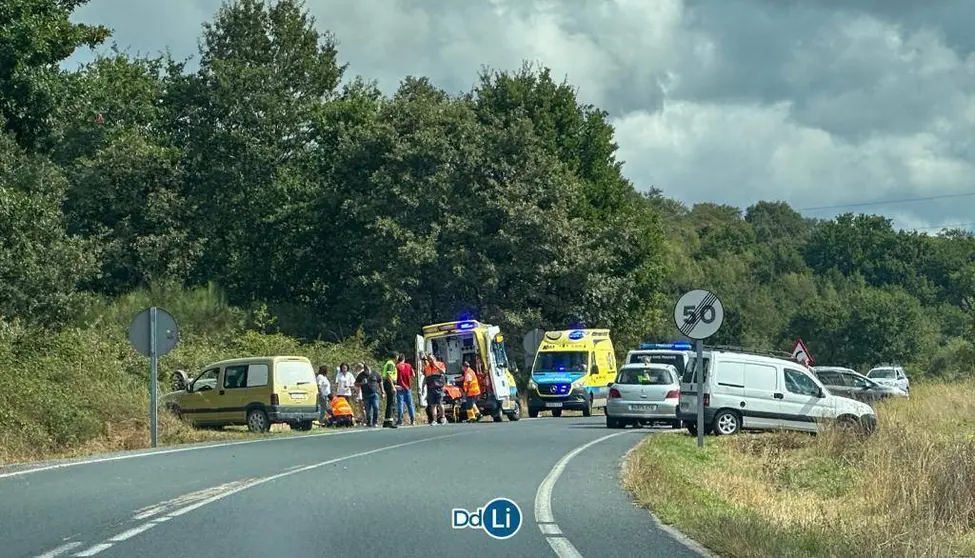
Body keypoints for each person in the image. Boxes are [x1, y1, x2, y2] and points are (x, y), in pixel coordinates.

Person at [423, 354, 447, 425]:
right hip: (431, 388)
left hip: (439, 387)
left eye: (431, 359)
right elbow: (426, 378)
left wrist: (435, 365)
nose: (430, 361)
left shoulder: (440, 364)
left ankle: (443, 417)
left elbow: (443, 372)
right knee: (433, 405)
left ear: (434, 358)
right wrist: (423, 386)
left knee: (440, 403)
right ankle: (434, 420)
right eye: (429, 359)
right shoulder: (427, 368)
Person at [395, 353, 416, 426]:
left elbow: (394, 377)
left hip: (399, 387)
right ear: (404, 358)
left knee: (400, 404)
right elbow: (413, 375)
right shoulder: (408, 365)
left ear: (398, 359)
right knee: (410, 404)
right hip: (407, 387)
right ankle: (413, 420)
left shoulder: (397, 367)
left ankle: (400, 420)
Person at [381, 356, 399, 428]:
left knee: (389, 403)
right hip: (389, 384)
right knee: (392, 403)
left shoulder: (388, 363)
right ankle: (390, 421)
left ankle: (386, 421)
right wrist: (392, 386)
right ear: (395, 357)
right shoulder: (391, 363)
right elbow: (389, 375)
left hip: (388, 383)